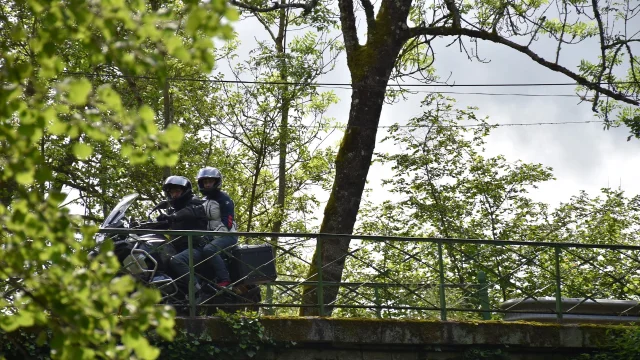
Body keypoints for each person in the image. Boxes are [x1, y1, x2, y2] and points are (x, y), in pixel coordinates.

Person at [156, 175, 207, 294]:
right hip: (179, 248)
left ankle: (197, 292)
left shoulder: (195, 203)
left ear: (185, 191)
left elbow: (188, 212)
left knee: (176, 261)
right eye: (172, 192)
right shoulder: (173, 210)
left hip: (197, 247)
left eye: (177, 191)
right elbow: (166, 223)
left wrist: (172, 217)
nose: (174, 194)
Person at [195, 167, 238, 288]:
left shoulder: (224, 199)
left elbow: (227, 223)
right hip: (210, 236)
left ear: (216, 182)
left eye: (210, 181)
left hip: (227, 235)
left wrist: (211, 236)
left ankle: (225, 279)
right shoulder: (203, 200)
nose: (207, 184)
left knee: (209, 249)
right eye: (205, 182)